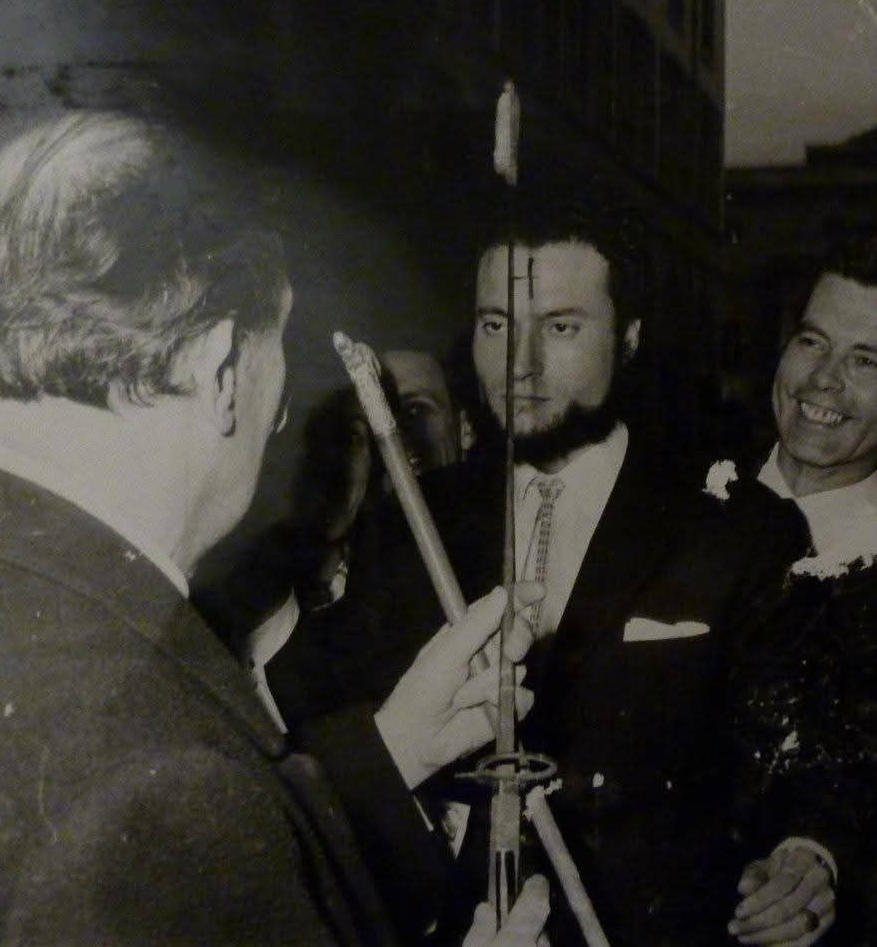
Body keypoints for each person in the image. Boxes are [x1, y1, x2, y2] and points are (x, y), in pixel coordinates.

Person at [0, 111, 552, 947]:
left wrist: (389, 750)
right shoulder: (154, 766)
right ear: (218, 367)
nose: (280, 414)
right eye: (277, 352)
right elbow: (163, 828)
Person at [270, 204, 812, 946]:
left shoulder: (737, 528)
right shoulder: (411, 521)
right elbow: (324, 729)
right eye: (496, 324)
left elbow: (797, 762)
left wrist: (807, 853)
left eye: (560, 327)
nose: (518, 364)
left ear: (628, 338)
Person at [730, 233, 877, 946]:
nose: (823, 381)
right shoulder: (668, 502)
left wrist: (821, 858)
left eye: (866, 361)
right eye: (812, 342)